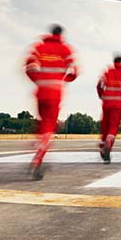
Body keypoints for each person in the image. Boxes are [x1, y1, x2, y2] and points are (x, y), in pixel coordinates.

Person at [25, 24, 78, 180]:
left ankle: (38, 141)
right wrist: (63, 80)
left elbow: (29, 68)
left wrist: (38, 82)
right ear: (61, 34)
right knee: (49, 127)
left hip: (41, 92)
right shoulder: (66, 50)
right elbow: (74, 72)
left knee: (43, 123)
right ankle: (38, 156)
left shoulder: (39, 47)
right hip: (55, 93)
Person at [96, 53, 121, 164]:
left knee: (105, 127)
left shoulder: (107, 71)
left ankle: (102, 149)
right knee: (112, 128)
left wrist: (101, 95)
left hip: (106, 103)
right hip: (117, 104)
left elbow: (99, 85)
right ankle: (108, 143)